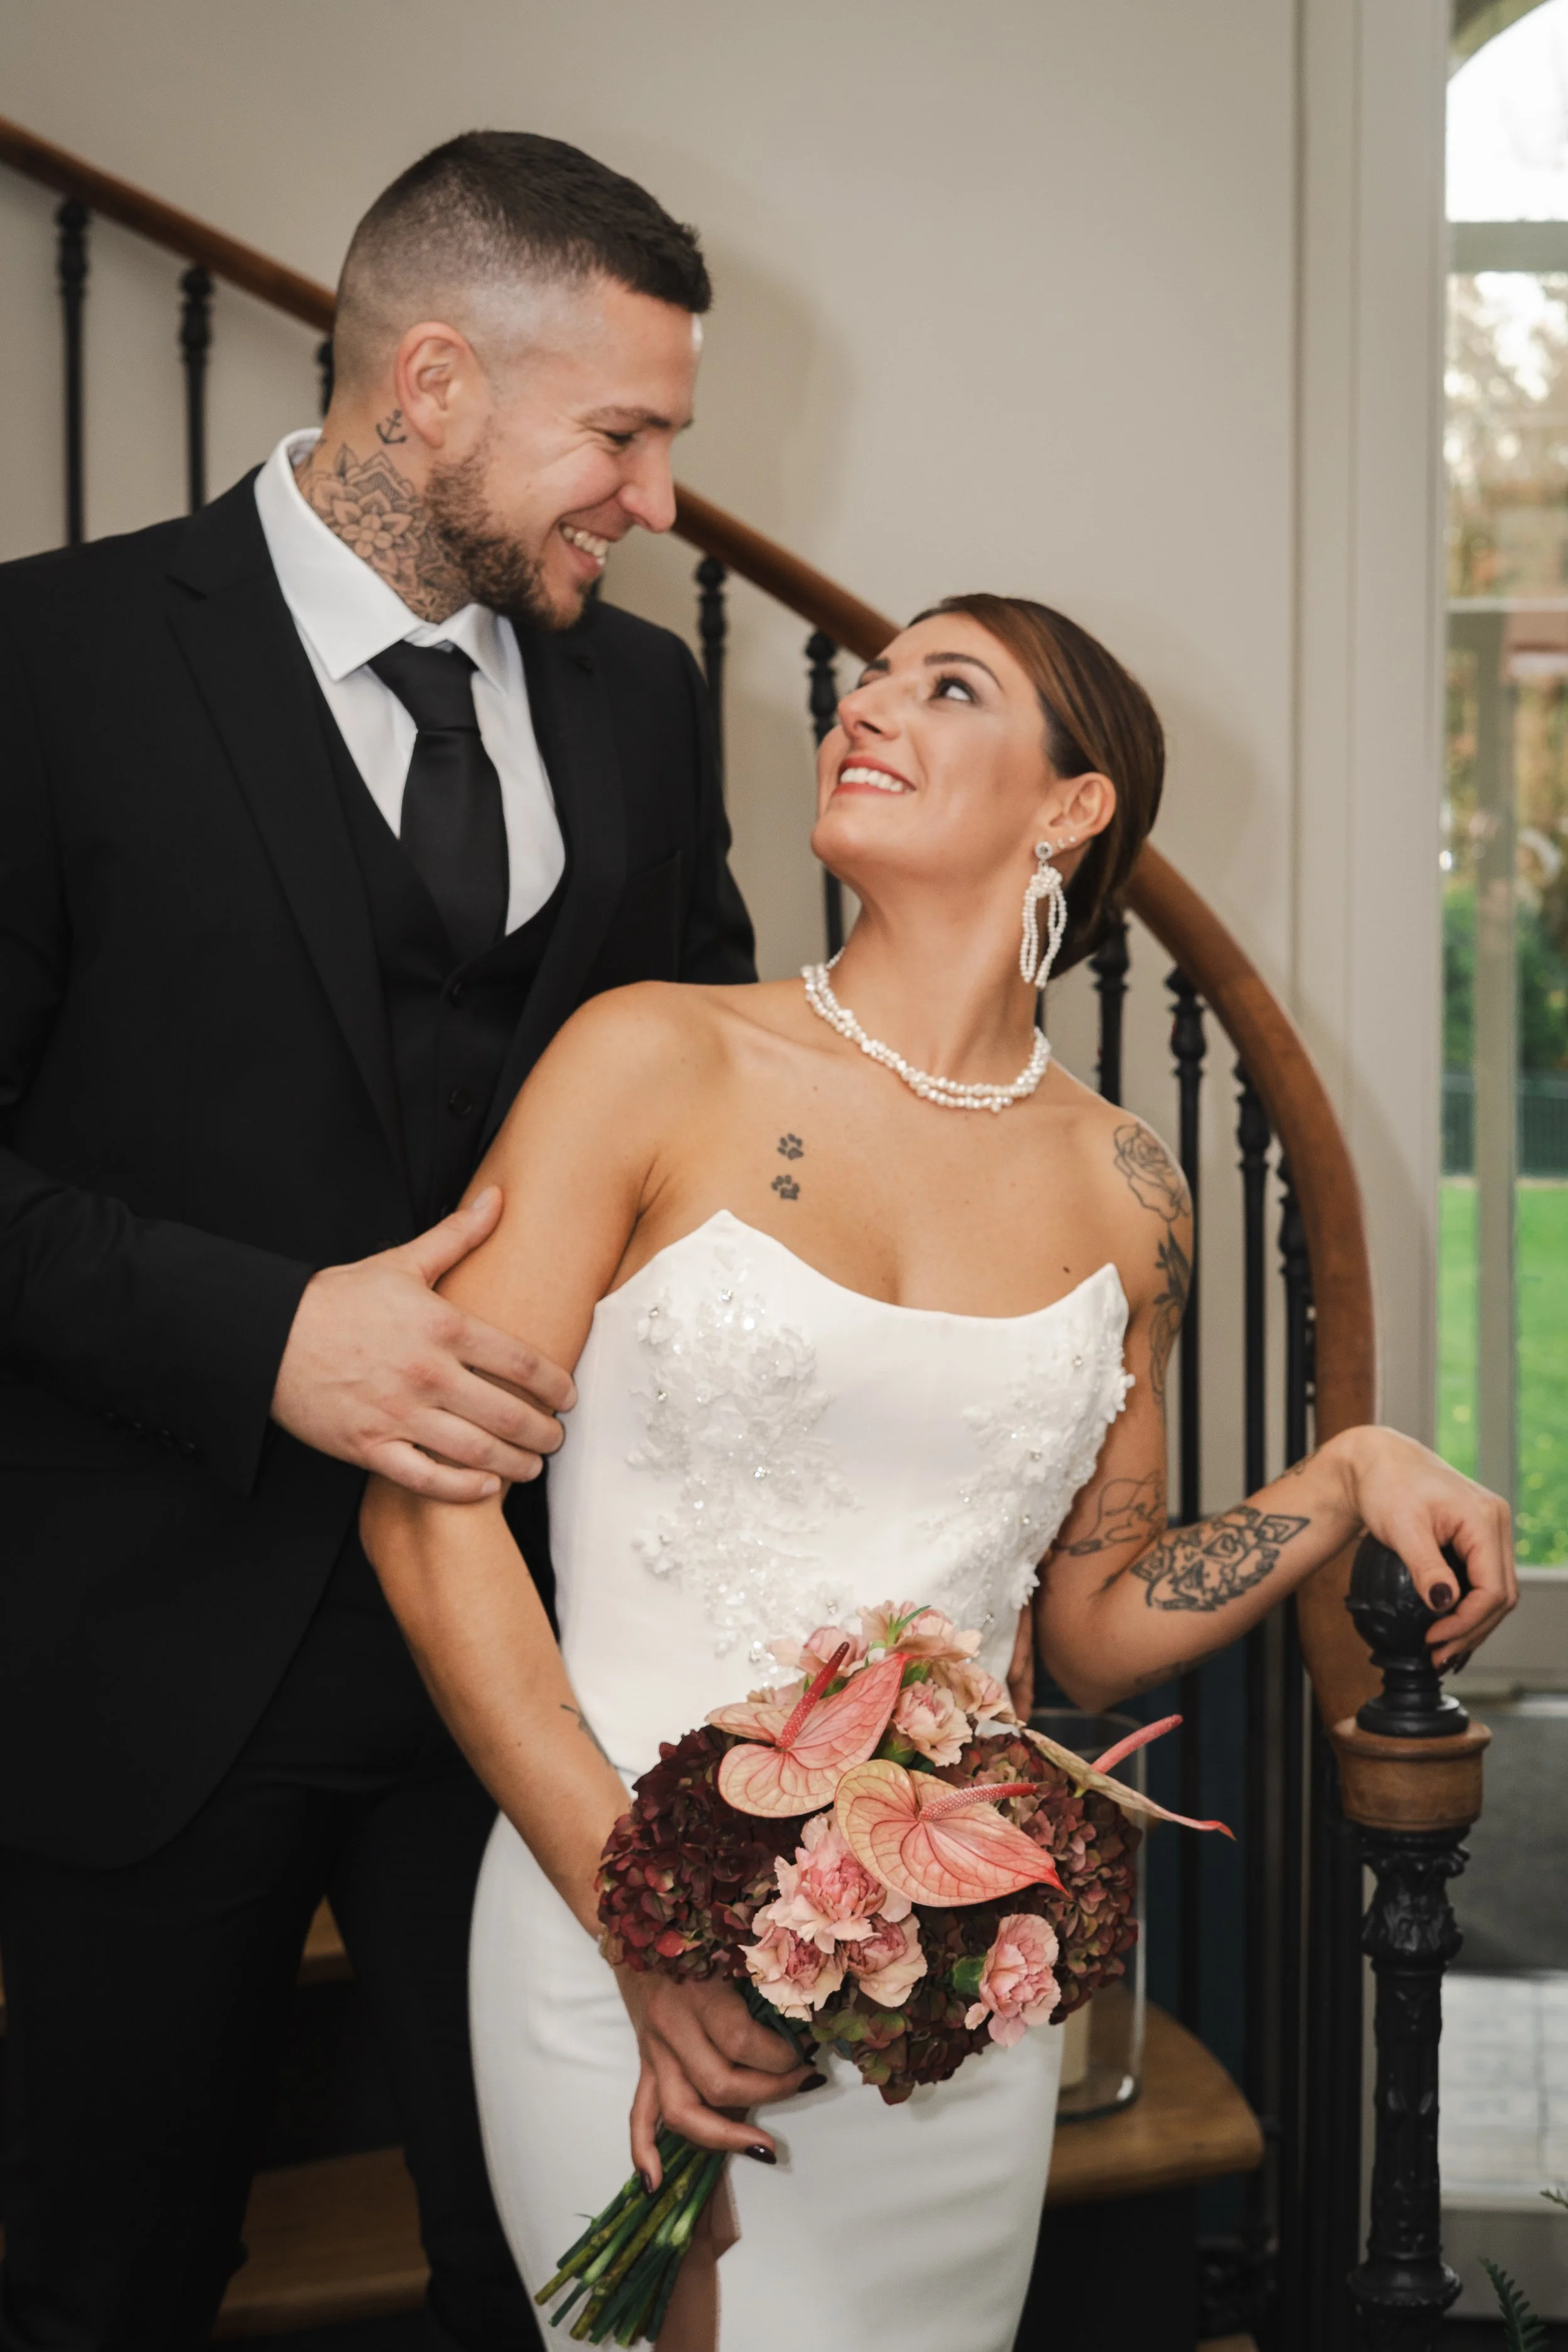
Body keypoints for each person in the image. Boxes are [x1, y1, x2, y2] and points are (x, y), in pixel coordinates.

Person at [362, 591, 1516, 2351]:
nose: (867, 707)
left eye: (946, 685)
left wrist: (1344, 1468)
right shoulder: (646, 1058)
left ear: (1068, 807)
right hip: (607, 1918)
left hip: (946, 1977)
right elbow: (426, 1508)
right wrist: (645, 1925)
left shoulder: (1129, 1188)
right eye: (873, 678)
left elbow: (1098, 1621)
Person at [0, 132, 751, 2352]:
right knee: (95, 2285)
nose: (658, 502)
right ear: (428, 384)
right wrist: (264, 1337)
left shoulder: (639, 699)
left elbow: (703, 1134)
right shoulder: (46, 666)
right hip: (147, 1662)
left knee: (542, 2282)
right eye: (619, 435)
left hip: (534, 1670)